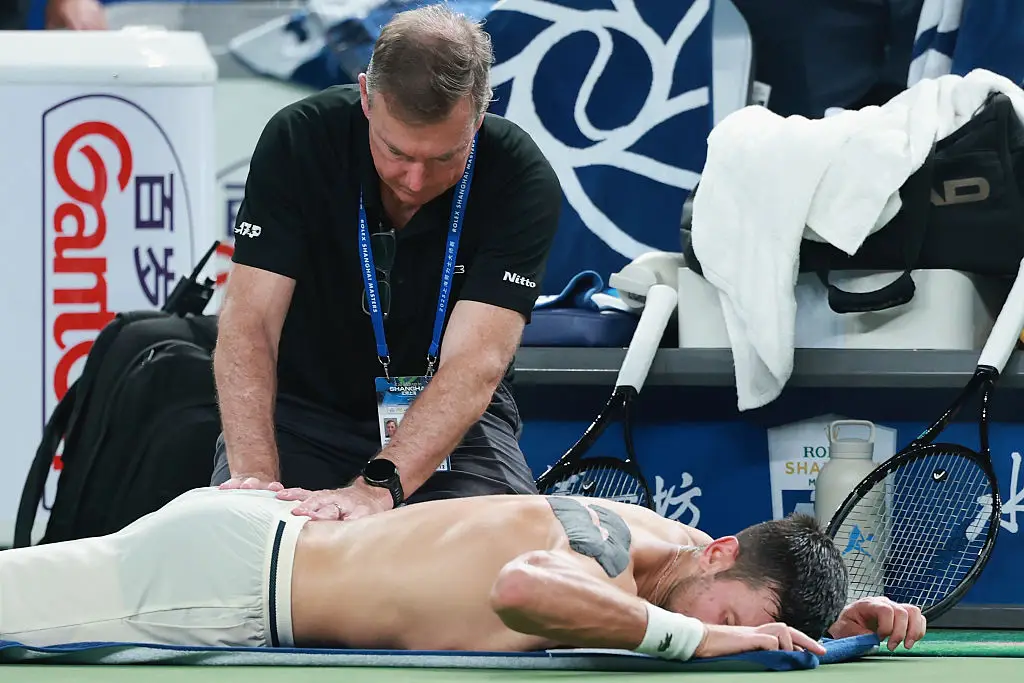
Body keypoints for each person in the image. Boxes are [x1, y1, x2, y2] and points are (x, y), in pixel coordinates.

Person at [212, 3, 562, 522]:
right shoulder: (300, 140)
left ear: (480, 113)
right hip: (300, 409)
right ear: (365, 100)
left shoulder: (520, 177)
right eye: (395, 152)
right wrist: (257, 481)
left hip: (451, 417)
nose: (414, 181)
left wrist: (376, 490)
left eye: (444, 157)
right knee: (247, 537)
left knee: (503, 555)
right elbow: (249, 323)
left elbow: (475, 365)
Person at [0, 487, 926, 658]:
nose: (730, 636)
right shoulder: (601, 548)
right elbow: (520, 590)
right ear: (718, 552)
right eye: (727, 614)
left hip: (257, 545)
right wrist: (710, 633)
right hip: (230, 584)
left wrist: (844, 614)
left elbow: (738, 593)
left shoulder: (679, 551)